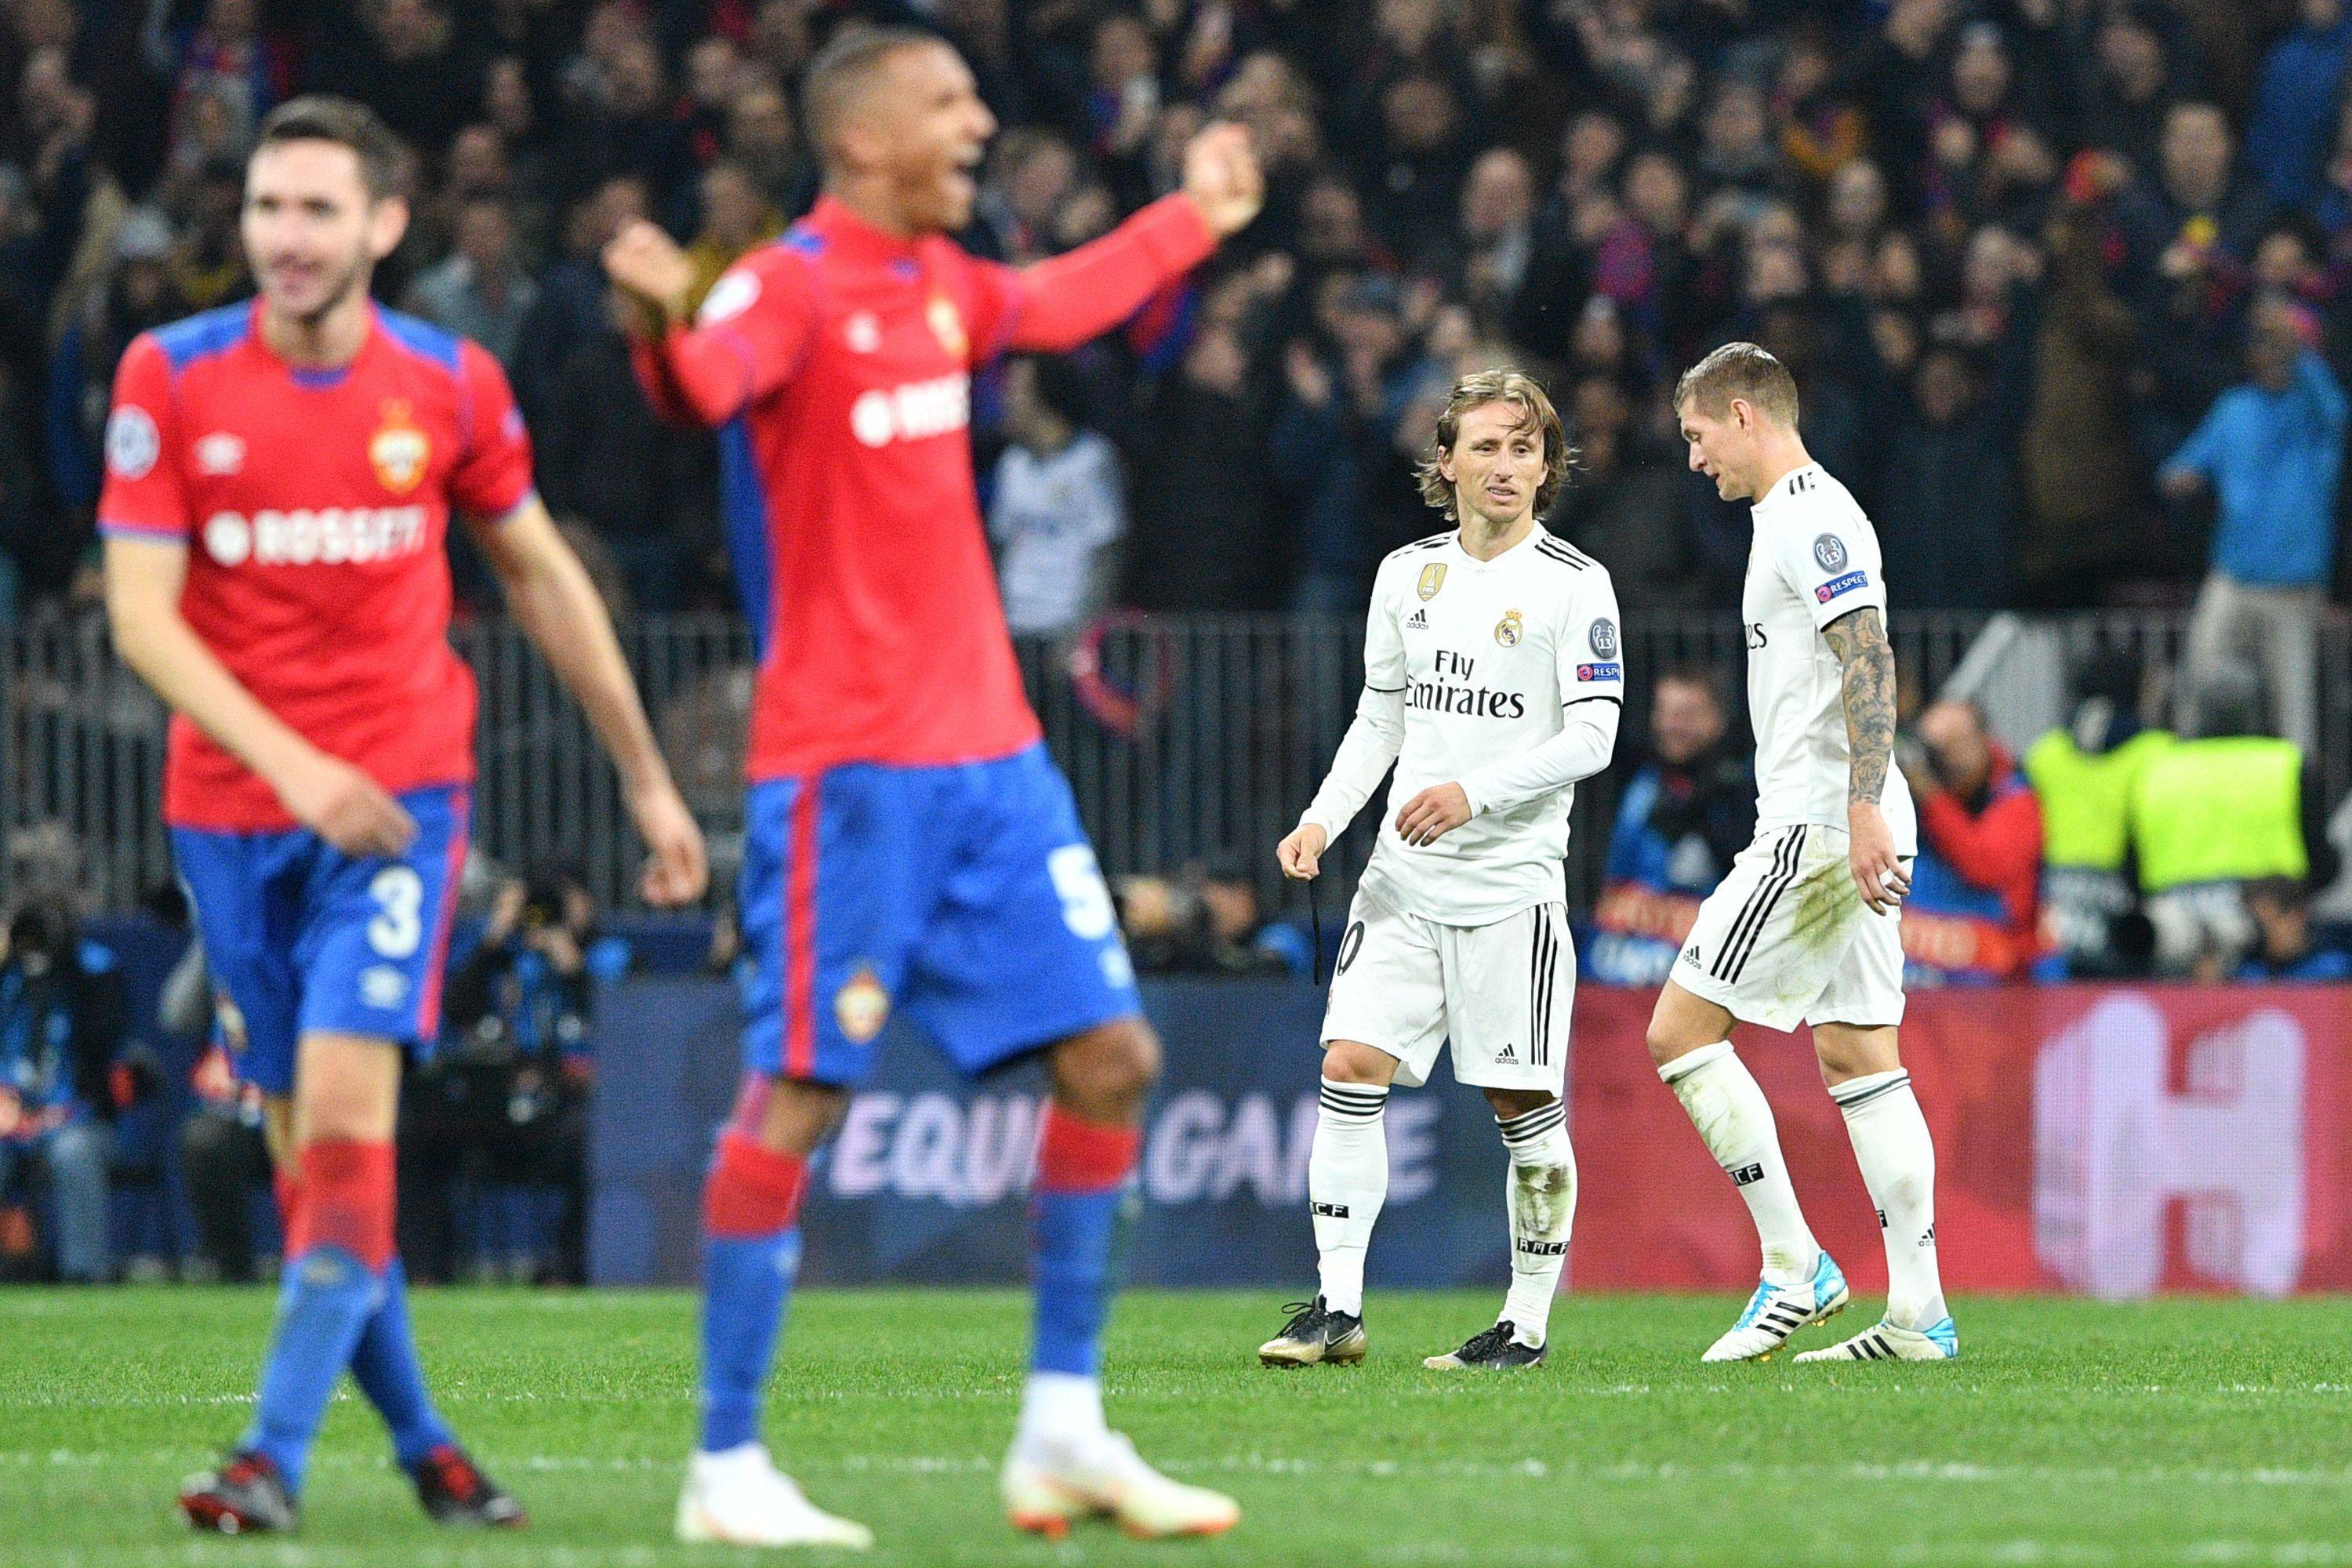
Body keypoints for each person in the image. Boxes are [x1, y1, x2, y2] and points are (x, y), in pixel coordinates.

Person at [601, 24, 1260, 1548]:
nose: (977, 123)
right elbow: (706, 379)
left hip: (996, 766)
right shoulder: (785, 282)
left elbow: (1061, 297)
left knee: (1113, 1059)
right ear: (862, 134)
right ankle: (725, 1464)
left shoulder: (946, 285)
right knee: (807, 1085)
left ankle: (1065, 1432)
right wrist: (651, 327)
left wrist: (1193, 221)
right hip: (850, 771)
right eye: (948, 101)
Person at [97, 96, 707, 1535]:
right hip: (233, 820)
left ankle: (270, 1457)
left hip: (396, 811)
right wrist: (290, 766)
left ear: (383, 224)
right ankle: (431, 1446)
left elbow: (547, 579)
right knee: (315, 1169)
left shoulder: (448, 382)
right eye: (265, 209)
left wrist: (644, 775)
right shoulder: (169, 375)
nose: (285, 238)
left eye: (317, 210)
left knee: (353, 1123)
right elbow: (139, 616)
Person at [1260, 368, 1621, 1373]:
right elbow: (1383, 716)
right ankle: (1335, 1307)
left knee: (1521, 1109)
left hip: (1510, 888)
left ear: (1546, 467)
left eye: (1524, 447)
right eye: (1487, 446)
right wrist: (1325, 819)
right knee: (1348, 1067)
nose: (1505, 465)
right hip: (1403, 884)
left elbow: (1594, 734)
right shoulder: (1403, 574)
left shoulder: (1575, 583)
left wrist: (1476, 791)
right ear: (1447, 461)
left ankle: (1526, 1323)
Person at [1649, 343, 1955, 1366]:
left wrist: (1862, 806)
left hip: (1823, 827)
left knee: (1680, 1032)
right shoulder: (1793, 514)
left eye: (1697, 437)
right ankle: (1918, 1315)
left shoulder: (1812, 516)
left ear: (1743, 414)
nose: (1695, 461)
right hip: (1841, 815)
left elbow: (1867, 656)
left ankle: (1795, 1268)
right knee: (1860, 1054)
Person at [2159, 297, 2347, 757]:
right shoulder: (2234, 408)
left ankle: (2298, 806)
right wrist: (2181, 477)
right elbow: (2181, 465)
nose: (2272, 355)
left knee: (2293, 709)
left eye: (2282, 346)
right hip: (2233, 576)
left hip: (2293, 588)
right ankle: (2188, 777)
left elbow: (2337, 409)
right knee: (2199, 682)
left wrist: (2296, 344)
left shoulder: (2317, 414)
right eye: (2264, 344)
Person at [1586, 666, 1754, 988]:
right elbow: (1614, 889)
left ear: (1717, 719)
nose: (1673, 726)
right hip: (1635, 954)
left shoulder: (1746, 790)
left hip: (1716, 961)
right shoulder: (1643, 786)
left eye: (1687, 714)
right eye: (1665, 712)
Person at [0, 893, 125, 1283]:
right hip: (11, 1114)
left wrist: (67, 962)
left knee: (75, 1152)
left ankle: (83, 1273)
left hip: (78, 1117)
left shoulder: (94, 970)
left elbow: (104, 1039)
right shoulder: (11, 978)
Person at [1899, 699, 2042, 982]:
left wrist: (1932, 797)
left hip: (2002, 988)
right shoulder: (1906, 803)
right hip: (1922, 987)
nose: (1951, 759)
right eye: (1939, 750)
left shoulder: (2016, 796)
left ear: (1985, 740)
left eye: (1959, 744)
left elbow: (1985, 864)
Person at [988, 355, 1125, 638]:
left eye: (1014, 391)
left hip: (1065, 628)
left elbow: (1108, 550)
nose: (1006, 402)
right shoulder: (1012, 465)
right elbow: (1001, 544)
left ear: (1044, 395)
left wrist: (1081, 631)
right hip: (1013, 625)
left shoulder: (1091, 460)